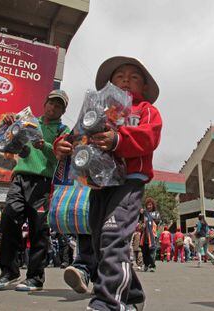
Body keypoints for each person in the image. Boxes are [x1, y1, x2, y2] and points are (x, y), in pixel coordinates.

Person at [54, 56, 162, 311]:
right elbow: (77, 135)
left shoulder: (146, 109)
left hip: (129, 182)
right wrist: (62, 145)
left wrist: (118, 139)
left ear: (144, 87)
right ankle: (133, 294)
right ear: (109, 85)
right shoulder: (98, 111)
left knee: (114, 235)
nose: (126, 80)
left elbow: (150, 137)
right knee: (100, 239)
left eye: (134, 77)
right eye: (119, 76)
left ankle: (107, 302)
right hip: (98, 184)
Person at [0, 89, 70, 291]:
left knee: (38, 229)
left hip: (43, 183)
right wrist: (8, 123)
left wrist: (44, 146)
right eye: (51, 103)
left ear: (63, 110)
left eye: (59, 105)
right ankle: (9, 272)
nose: (54, 107)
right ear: (44, 103)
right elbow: (7, 143)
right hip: (20, 177)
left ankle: (35, 278)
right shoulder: (27, 121)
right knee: (9, 218)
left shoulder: (64, 130)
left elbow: (60, 158)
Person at [140, 197, 160, 272]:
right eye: (147, 205)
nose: (149, 206)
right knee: (144, 251)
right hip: (144, 235)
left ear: (153, 205)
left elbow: (157, 221)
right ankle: (146, 264)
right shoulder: (143, 214)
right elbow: (140, 222)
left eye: (150, 205)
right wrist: (141, 225)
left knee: (151, 251)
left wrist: (145, 214)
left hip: (152, 235)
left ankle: (152, 266)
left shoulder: (156, 213)